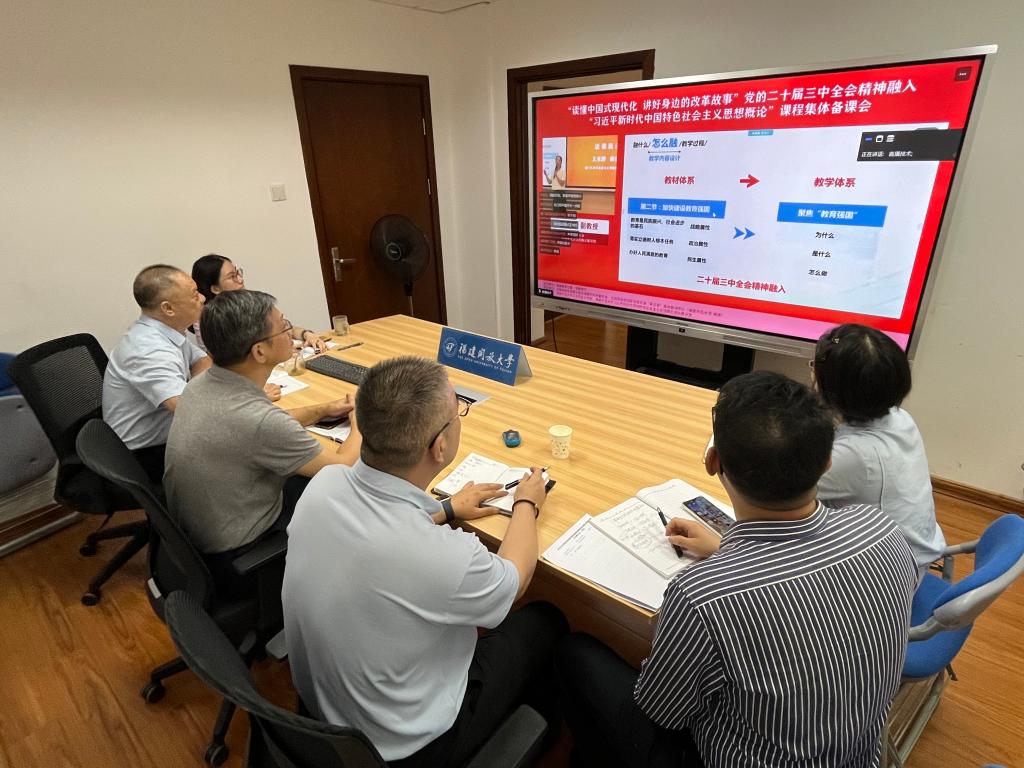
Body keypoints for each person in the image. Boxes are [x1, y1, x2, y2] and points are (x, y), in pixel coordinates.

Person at [557, 371, 918, 768]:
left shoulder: (702, 596)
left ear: (713, 462)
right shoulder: (883, 531)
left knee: (575, 652)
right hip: (859, 755)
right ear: (826, 462)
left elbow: (664, 712)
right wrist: (726, 548)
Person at [282, 356, 567, 767]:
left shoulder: (325, 484)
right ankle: (540, 732)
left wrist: (447, 509)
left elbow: (382, 535)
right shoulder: (444, 556)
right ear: (440, 446)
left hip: (323, 717)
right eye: (457, 412)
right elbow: (516, 580)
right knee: (546, 620)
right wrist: (527, 502)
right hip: (408, 747)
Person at [163, 289, 360, 587]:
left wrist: (324, 409)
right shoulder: (257, 420)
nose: (289, 333)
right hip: (242, 550)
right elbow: (343, 466)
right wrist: (362, 420)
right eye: (283, 327)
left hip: (206, 532)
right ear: (259, 352)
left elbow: (264, 425)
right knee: (353, 492)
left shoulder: (202, 384)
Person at [812, 323, 946, 572]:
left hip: (889, 575)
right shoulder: (900, 418)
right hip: (918, 550)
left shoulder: (854, 456)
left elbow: (778, 493)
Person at [102, 264, 210, 484]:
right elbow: (188, 408)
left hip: (171, 433)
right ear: (168, 308)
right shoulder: (148, 349)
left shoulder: (166, 331)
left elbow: (203, 360)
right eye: (194, 294)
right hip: (145, 456)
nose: (202, 298)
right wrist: (242, 396)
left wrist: (197, 390)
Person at [190, 253, 328, 354]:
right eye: (232, 276)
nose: (240, 280)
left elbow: (280, 327)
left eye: (238, 273)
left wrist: (307, 335)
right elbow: (235, 357)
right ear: (215, 289)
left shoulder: (247, 302)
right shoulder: (209, 319)